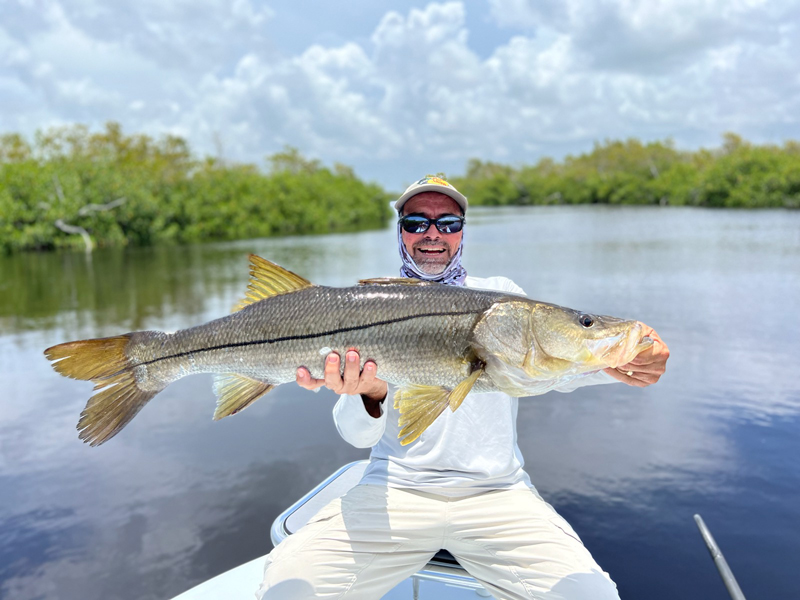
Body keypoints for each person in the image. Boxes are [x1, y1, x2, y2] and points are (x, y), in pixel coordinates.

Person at [256, 175, 670, 600]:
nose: (433, 234)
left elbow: (542, 368)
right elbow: (356, 435)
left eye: (448, 222)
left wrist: (624, 362)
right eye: (417, 222)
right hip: (395, 490)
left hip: (497, 494)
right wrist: (370, 394)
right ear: (399, 230)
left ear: (461, 232)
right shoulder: (371, 301)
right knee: (287, 592)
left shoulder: (503, 298)